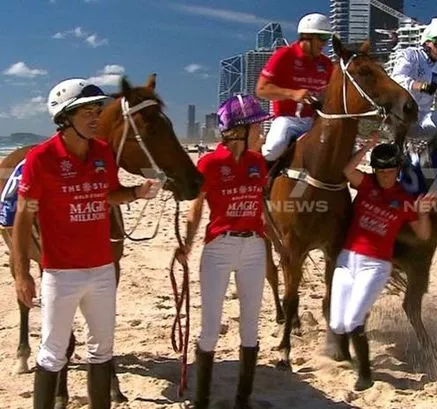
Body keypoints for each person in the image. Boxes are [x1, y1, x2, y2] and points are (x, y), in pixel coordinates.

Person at [13, 78, 156, 409]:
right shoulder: (41, 159)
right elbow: (23, 220)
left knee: (102, 350)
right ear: (64, 117)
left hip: (103, 270)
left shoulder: (103, 152)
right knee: (51, 354)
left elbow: (110, 195)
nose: (95, 118)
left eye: (97, 111)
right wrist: (22, 274)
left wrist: (137, 192)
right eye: (86, 112)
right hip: (61, 275)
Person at [175, 94, 272, 409]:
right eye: (258, 127)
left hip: (255, 247)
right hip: (219, 247)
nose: (262, 132)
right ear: (240, 130)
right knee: (210, 326)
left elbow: (263, 205)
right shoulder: (210, 163)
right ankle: (201, 401)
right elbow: (195, 206)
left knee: (250, 325)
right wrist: (187, 244)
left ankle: (242, 400)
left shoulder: (259, 162)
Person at [329, 133, 437, 391]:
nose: (386, 176)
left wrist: (423, 214)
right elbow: (347, 170)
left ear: (398, 171)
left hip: (376, 265)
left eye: (390, 171)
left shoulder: (403, 200)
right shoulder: (367, 184)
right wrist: (366, 146)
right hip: (347, 260)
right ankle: (349, 356)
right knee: (337, 324)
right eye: (381, 171)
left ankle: (365, 375)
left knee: (355, 319)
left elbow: (423, 235)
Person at [256, 12, 334, 164]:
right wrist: (292, 94)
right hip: (288, 120)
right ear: (306, 36)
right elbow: (261, 90)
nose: (325, 43)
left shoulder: (327, 64)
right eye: (322, 38)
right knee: (274, 150)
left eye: (327, 38)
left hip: (316, 121)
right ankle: (261, 182)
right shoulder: (284, 55)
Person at [391, 17, 437, 144]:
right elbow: (396, 79)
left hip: (422, 119)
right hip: (400, 117)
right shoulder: (410, 55)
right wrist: (420, 86)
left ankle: (432, 156)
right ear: (427, 42)